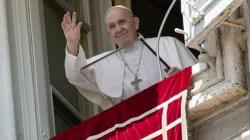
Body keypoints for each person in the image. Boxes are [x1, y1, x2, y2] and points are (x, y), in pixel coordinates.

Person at [62, 5, 197, 110]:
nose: (119, 29)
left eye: (122, 22)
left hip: (173, 111)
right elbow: (76, 76)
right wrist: (73, 43)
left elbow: (201, 75)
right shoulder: (104, 62)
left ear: (135, 23)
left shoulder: (167, 44)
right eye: (112, 26)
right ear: (109, 33)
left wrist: (183, 77)